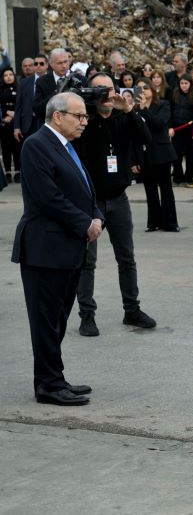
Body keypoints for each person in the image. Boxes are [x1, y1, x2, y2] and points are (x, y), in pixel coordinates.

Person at [13, 92, 104, 405]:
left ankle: (54, 378)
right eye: (78, 116)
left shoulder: (65, 146)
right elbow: (48, 197)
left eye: (85, 117)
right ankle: (49, 385)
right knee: (46, 321)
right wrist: (85, 223)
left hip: (67, 247)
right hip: (45, 248)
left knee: (58, 319)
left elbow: (83, 188)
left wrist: (97, 216)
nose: (84, 122)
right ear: (57, 116)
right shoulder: (36, 145)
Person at [72, 73, 155, 336]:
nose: (105, 95)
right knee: (87, 261)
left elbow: (146, 138)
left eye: (108, 89)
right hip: (90, 200)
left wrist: (129, 110)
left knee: (127, 258)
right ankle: (87, 316)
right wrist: (87, 111)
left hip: (119, 197)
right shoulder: (83, 120)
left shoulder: (123, 116)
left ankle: (132, 310)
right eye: (98, 90)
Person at [134, 79, 179, 232]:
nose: (143, 91)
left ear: (152, 89)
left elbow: (159, 123)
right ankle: (153, 222)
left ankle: (170, 223)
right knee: (150, 190)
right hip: (145, 153)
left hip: (162, 153)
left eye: (146, 87)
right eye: (139, 89)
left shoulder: (163, 105)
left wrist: (144, 110)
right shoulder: (134, 108)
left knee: (166, 189)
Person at [170, 74, 193, 183]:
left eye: (186, 83)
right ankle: (177, 175)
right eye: (182, 83)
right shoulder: (174, 94)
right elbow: (171, 111)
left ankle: (189, 176)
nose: (184, 86)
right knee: (176, 153)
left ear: (190, 84)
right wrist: (170, 127)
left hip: (190, 128)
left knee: (190, 154)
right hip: (177, 127)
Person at [1, 68, 20, 183]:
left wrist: (14, 114)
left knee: (17, 148)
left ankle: (18, 171)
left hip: (16, 123)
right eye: (6, 75)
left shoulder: (19, 89)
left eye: (10, 74)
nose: (8, 77)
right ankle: (7, 172)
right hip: (4, 124)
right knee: (5, 148)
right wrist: (6, 112)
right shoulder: (1, 90)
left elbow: (22, 104)